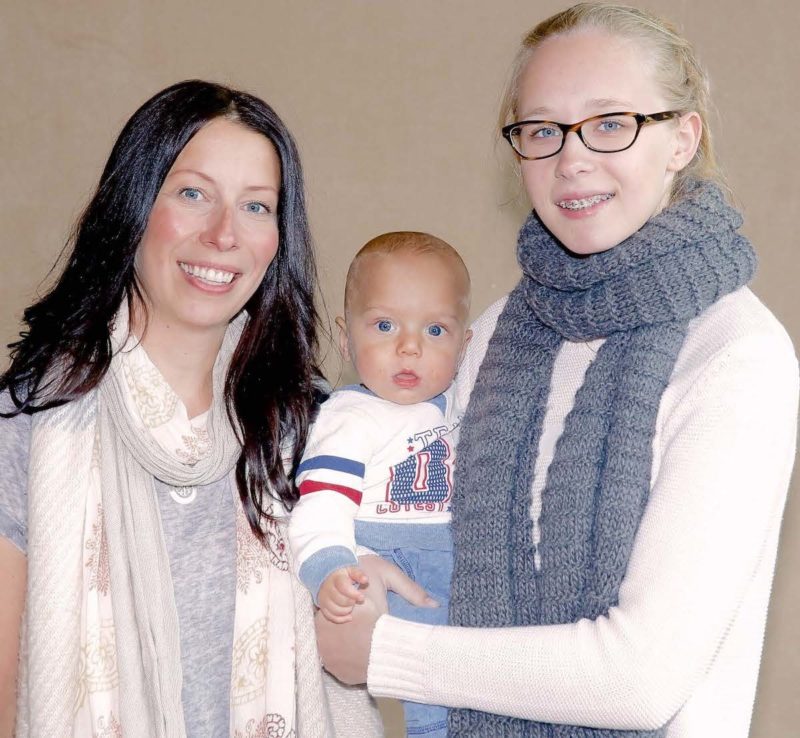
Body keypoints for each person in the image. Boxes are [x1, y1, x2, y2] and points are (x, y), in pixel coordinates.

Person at [316, 4, 799, 737]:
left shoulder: (735, 354)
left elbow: (642, 678)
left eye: (610, 124)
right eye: (542, 130)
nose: (571, 159)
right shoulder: (486, 341)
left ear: (681, 137)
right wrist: (356, 563)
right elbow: (378, 477)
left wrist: (387, 653)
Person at [0, 80, 381, 738]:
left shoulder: (323, 429)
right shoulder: (29, 422)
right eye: (193, 193)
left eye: (257, 206)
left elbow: (377, 647)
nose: (224, 234)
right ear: (135, 204)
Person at [289, 232, 472, 738]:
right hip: (389, 561)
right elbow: (321, 505)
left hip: (455, 562)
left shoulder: (459, 407)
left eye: (435, 330)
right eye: (385, 325)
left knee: (480, 697)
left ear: (465, 345)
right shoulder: (350, 417)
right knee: (435, 705)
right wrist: (330, 568)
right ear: (345, 339)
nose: (409, 347)